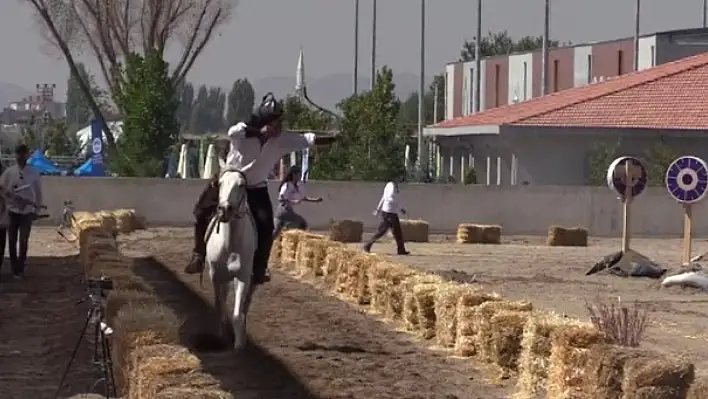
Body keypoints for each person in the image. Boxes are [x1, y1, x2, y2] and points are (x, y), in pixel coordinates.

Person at [185, 93, 335, 284]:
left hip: (256, 188)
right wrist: (260, 133)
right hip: (229, 182)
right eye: (275, 121)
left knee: (266, 226)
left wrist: (332, 138)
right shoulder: (242, 133)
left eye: (279, 121)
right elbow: (233, 132)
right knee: (201, 211)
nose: (279, 125)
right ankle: (198, 255)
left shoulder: (282, 140)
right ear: (265, 121)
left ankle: (259, 268)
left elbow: (308, 138)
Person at [0, 144, 43, 280]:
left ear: (27, 155)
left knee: (23, 240)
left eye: (23, 155)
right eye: (18, 155)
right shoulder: (9, 172)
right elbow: (2, 189)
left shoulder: (33, 173)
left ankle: (21, 267)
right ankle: (14, 269)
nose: (21, 158)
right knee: (12, 241)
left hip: (27, 212)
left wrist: (36, 208)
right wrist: (10, 200)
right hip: (12, 211)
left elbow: (38, 192)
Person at [272, 165, 322, 238]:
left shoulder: (296, 186)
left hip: (282, 212)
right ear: (294, 174)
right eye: (299, 174)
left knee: (275, 233)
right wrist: (294, 201)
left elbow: (303, 198)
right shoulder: (288, 185)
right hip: (285, 210)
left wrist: (315, 200)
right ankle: (299, 241)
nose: (300, 176)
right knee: (303, 224)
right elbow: (281, 198)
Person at [362, 180, 409, 255]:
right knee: (381, 231)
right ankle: (367, 246)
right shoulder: (392, 186)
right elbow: (390, 198)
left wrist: (378, 209)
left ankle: (401, 250)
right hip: (389, 213)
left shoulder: (388, 185)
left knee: (397, 232)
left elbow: (383, 197)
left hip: (390, 212)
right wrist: (400, 208)